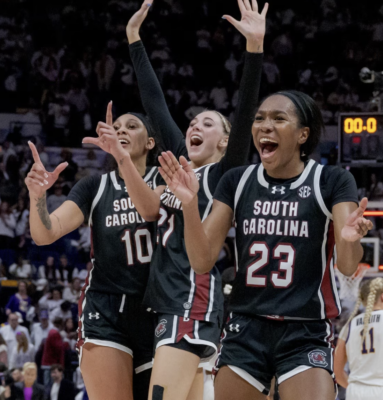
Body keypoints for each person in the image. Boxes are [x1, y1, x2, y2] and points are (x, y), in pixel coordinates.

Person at [157, 89, 373, 400]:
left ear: (303, 134)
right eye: (259, 118)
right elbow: (202, 261)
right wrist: (190, 205)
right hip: (246, 325)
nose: (264, 125)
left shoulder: (332, 181)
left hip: (305, 329)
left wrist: (350, 241)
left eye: (278, 119)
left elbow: (348, 265)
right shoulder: (237, 181)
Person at [24, 18, 187, 400]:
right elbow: (45, 233)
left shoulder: (167, 180)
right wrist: (37, 196)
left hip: (158, 307)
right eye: (119, 127)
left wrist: (120, 158)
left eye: (132, 127)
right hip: (106, 306)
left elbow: (150, 211)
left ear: (149, 142)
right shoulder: (94, 187)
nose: (123, 131)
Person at [118, 2, 266, 399]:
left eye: (208, 122)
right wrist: (134, 40)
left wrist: (254, 48)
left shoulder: (223, 175)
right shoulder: (179, 169)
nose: (195, 124)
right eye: (194, 121)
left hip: (191, 295)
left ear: (223, 140)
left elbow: (246, 108)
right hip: (170, 299)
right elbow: (155, 104)